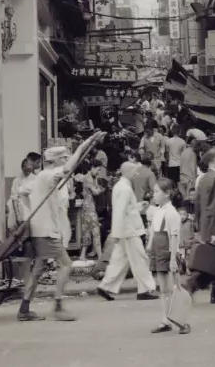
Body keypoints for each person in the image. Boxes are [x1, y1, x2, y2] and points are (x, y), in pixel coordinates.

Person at [17, 132, 104, 322]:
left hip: (40, 230)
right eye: (63, 157)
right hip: (47, 231)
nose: (66, 160)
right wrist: (87, 143)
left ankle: (24, 308)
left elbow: (22, 191)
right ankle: (57, 306)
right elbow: (68, 167)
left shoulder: (40, 177)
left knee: (38, 269)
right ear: (56, 160)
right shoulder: (49, 175)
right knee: (66, 265)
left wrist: (30, 212)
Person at [97, 161, 158, 301]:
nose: (136, 173)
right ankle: (145, 289)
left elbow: (124, 209)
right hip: (130, 230)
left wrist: (137, 206)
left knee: (119, 260)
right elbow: (120, 211)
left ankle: (106, 286)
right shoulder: (124, 188)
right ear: (129, 172)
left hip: (126, 230)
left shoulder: (121, 186)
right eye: (135, 171)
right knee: (140, 259)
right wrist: (116, 233)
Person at [184, 148, 215, 304]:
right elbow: (213, 207)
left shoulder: (204, 179)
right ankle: (190, 285)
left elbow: (201, 207)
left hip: (209, 226)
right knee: (212, 262)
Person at [147, 178, 190, 335]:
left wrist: (173, 259)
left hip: (168, 252)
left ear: (167, 194)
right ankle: (165, 320)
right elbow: (153, 231)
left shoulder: (172, 213)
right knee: (164, 289)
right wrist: (150, 247)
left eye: (157, 191)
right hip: (158, 252)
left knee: (173, 289)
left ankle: (180, 321)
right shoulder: (158, 211)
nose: (154, 194)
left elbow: (174, 237)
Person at [77, 161, 104, 261]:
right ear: (93, 167)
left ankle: (83, 255)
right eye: (98, 169)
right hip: (90, 208)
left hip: (87, 207)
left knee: (87, 232)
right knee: (96, 232)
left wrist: (96, 179)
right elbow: (96, 192)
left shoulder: (89, 178)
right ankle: (100, 256)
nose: (98, 172)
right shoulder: (88, 178)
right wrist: (102, 188)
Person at [179, 136, 198, 202]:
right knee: (190, 199)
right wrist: (195, 179)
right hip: (189, 178)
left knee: (184, 198)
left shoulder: (183, 152)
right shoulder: (193, 153)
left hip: (182, 176)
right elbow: (193, 167)